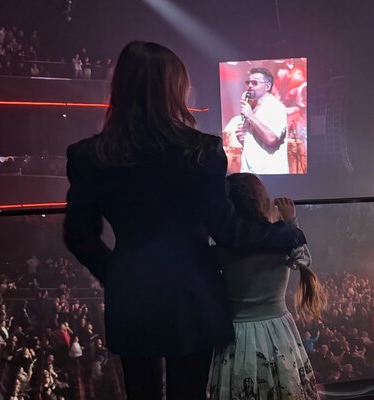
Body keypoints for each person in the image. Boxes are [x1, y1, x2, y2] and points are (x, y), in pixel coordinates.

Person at [62, 41, 306, 400]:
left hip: (131, 296)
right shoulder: (202, 150)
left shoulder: (88, 156)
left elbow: (79, 236)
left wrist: (116, 272)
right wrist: (286, 233)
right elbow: (228, 231)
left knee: (141, 394)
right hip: (192, 296)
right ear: (173, 89)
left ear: (121, 86)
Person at [209, 173, 325, 400]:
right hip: (278, 330)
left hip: (236, 334)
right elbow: (304, 259)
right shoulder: (283, 240)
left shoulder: (222, 248)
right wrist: (291, 222)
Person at [223, 67, 289, 175]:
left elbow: (272, 139)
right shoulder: (252, 109)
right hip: (250, 172)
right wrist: (243, 139)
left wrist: (250, 116)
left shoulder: (276, 107)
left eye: (255, 83)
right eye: (248, 82)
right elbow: (256, 142)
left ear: (267, 86)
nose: (249, 85)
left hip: (270, 174)